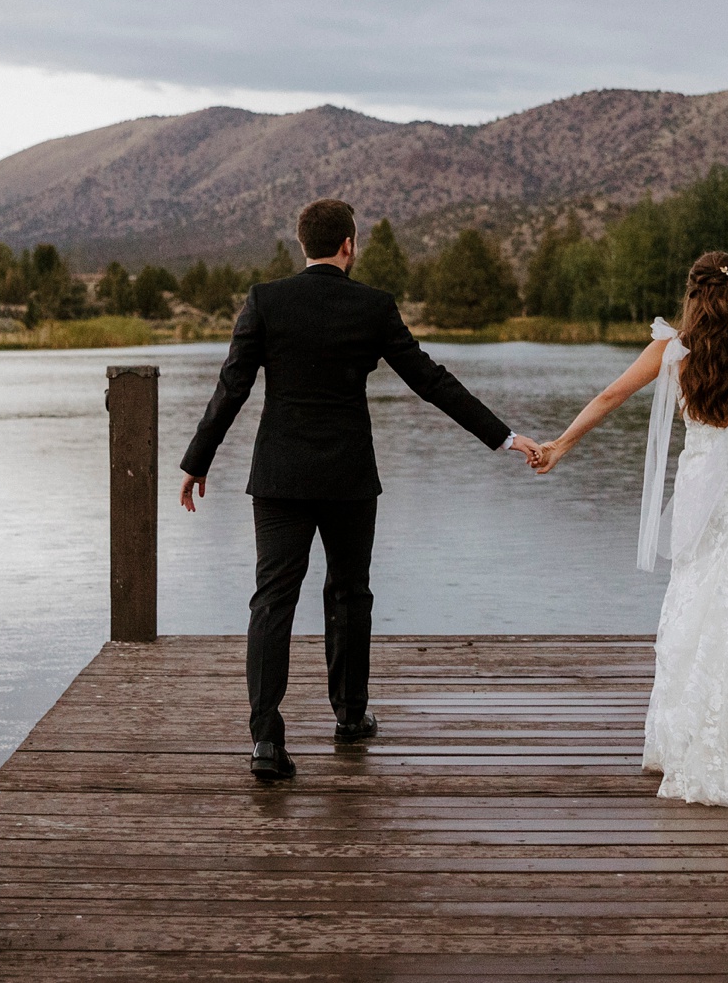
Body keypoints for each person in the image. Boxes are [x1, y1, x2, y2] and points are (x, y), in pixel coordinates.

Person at [179, 198, 539, 783]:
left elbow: (231, 389)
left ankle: (266, 741)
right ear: (349, 245)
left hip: (279, 478)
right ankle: (349, 717)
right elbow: (431, 382)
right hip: (348, 478)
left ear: (304, 245)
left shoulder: (265, 300)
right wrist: (504, 437)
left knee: (272, 601)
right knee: (349, 594)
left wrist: (197, 461)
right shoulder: (373, 306)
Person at [529, 169, 728, 807]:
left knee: (696, 600)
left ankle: (688, 734)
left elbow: (611, 395)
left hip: (700, 490)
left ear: (692, 297)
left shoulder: (672, 351)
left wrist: (560, 444)